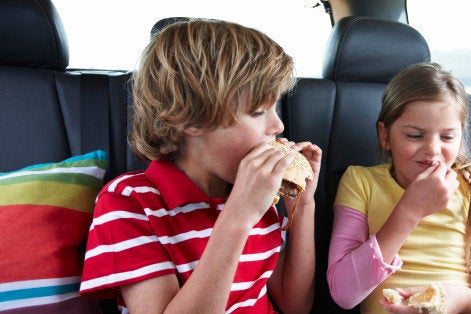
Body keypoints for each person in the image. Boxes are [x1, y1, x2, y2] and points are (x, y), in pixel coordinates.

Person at [79, 19, 321, 313]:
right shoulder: (129, 202)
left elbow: (296, 304)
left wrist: (303, 204)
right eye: (258, 111)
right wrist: (238, 217)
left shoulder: (255, 194)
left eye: (275, 108)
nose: (278, 125)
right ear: (192, 119)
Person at [327, 62, 471, 313]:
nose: (432, 150)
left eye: (448, 137)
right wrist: (409, 211)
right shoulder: (360, 182)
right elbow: (344, 293)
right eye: (415, 136)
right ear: (385, 135)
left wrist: (460, 300)